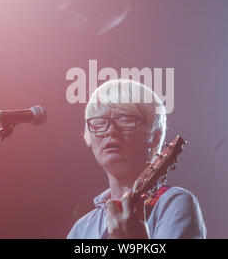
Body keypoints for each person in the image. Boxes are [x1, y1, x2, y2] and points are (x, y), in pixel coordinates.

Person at [67, 79, 206, 239]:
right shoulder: (82, 229)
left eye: (125, 120)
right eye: (99, 123)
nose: (111, 131)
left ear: (155, 135)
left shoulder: (173, 204)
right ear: (89, 137)